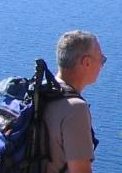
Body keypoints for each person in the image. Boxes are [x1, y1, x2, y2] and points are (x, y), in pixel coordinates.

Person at [43, 30, 105, 173]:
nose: (102, 64)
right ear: (87, 62)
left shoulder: (39, 92)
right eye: (101, 59)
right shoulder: (75, 109)